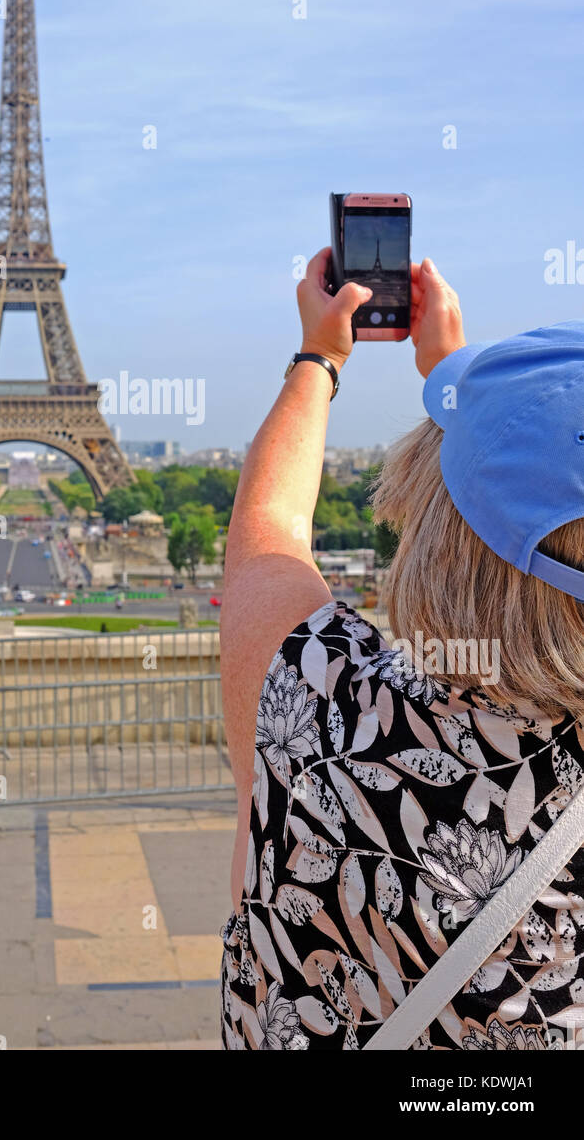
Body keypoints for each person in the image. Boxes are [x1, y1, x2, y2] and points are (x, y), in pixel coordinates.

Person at [219, 248, 584, 1050]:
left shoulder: (328, 719)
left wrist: (319, 357)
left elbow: (267, 539)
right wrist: (454, 374)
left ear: (435, 536)